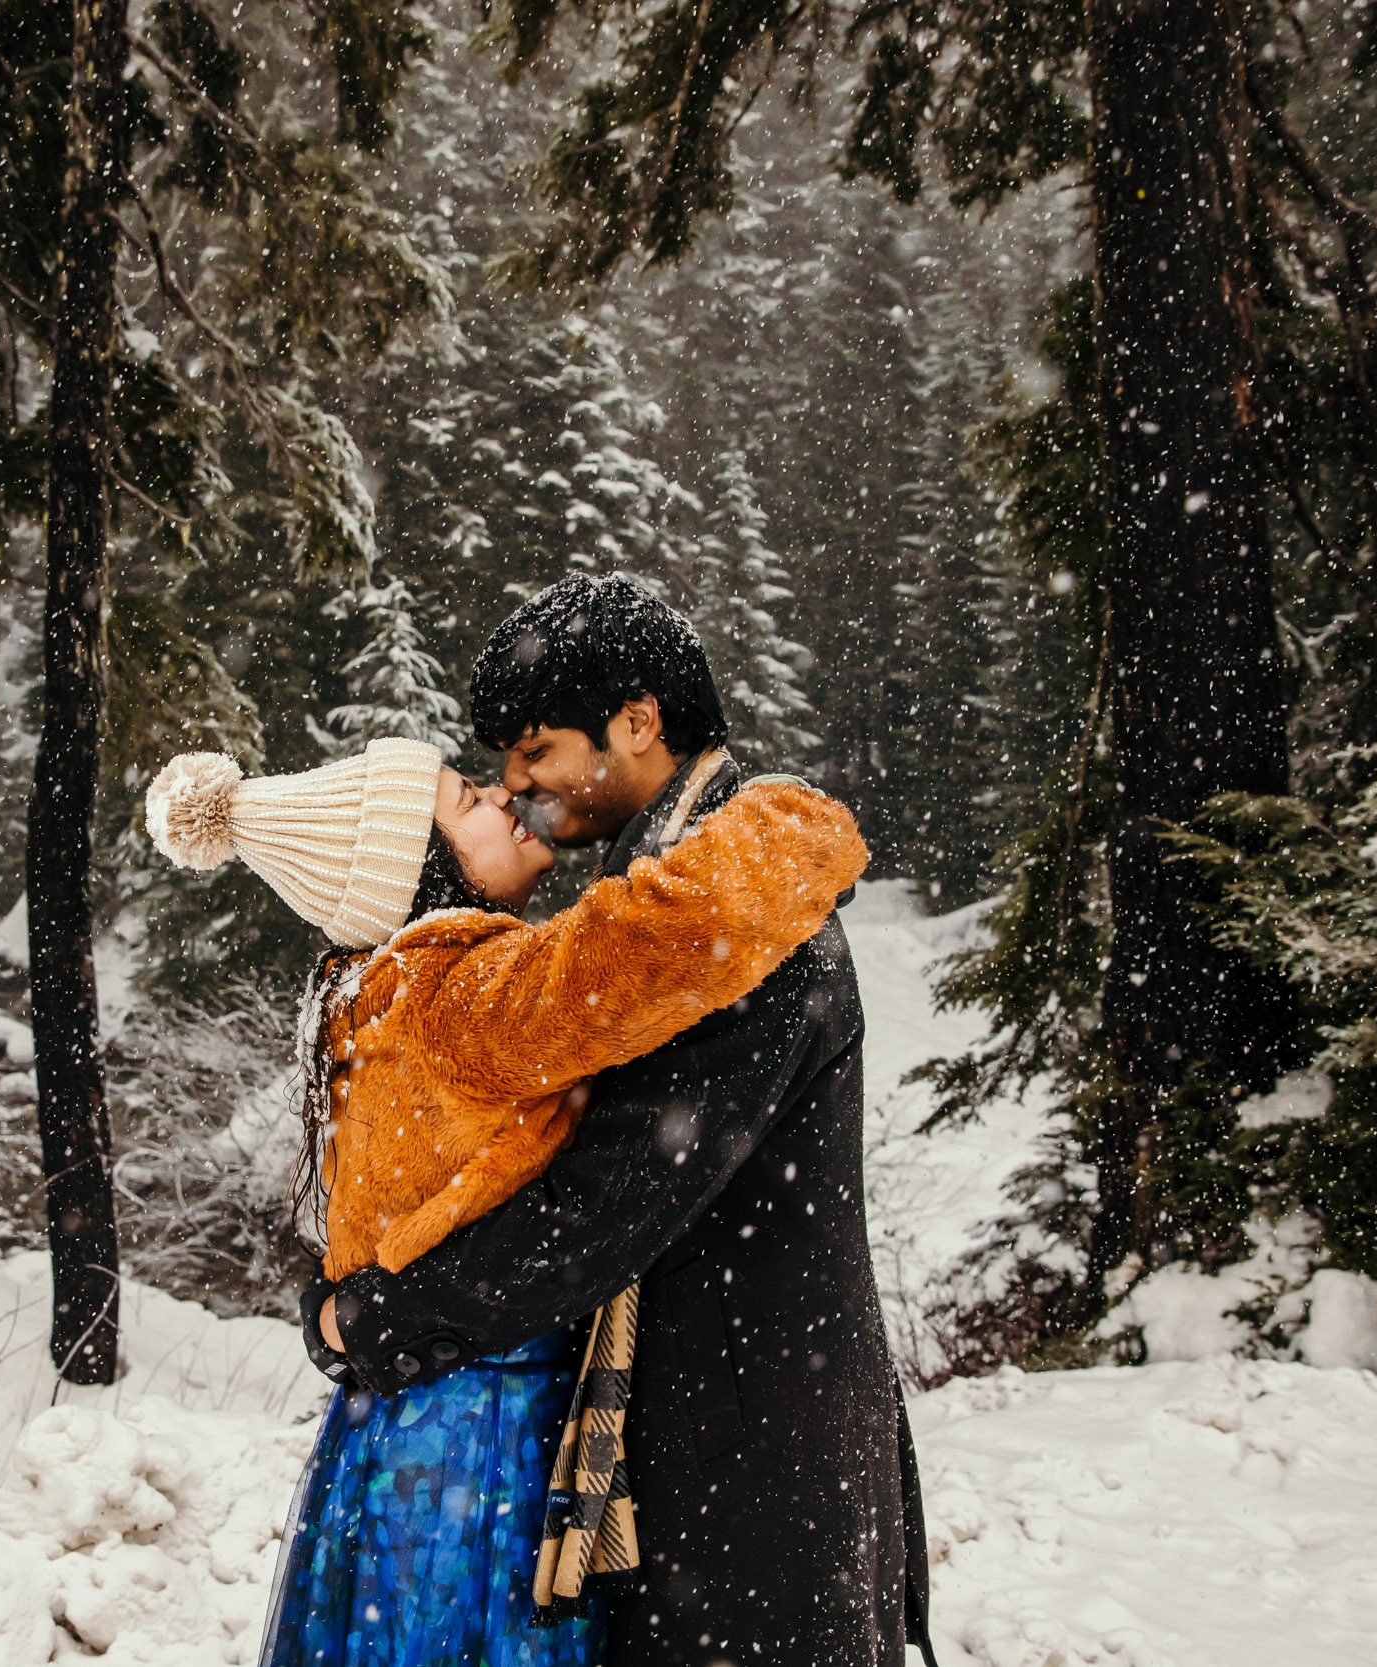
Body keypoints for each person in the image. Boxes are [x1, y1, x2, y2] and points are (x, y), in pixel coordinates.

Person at [308, 574, 938, 1667]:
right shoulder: (664, 907)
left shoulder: (740, 921)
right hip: (704, 1437)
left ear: (637, 722)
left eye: (536, 750)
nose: (517, 788)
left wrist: (385, 1317)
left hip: (751, 1452)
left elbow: (613, 1190)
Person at [141, 732, 869, 1667]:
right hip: (477, 1441)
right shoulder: (462, 998)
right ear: (420, 866)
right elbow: (645, 949)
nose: (500, 796)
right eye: (464, 800)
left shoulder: (374, 999)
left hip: (399, 1436)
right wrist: (790, 825)